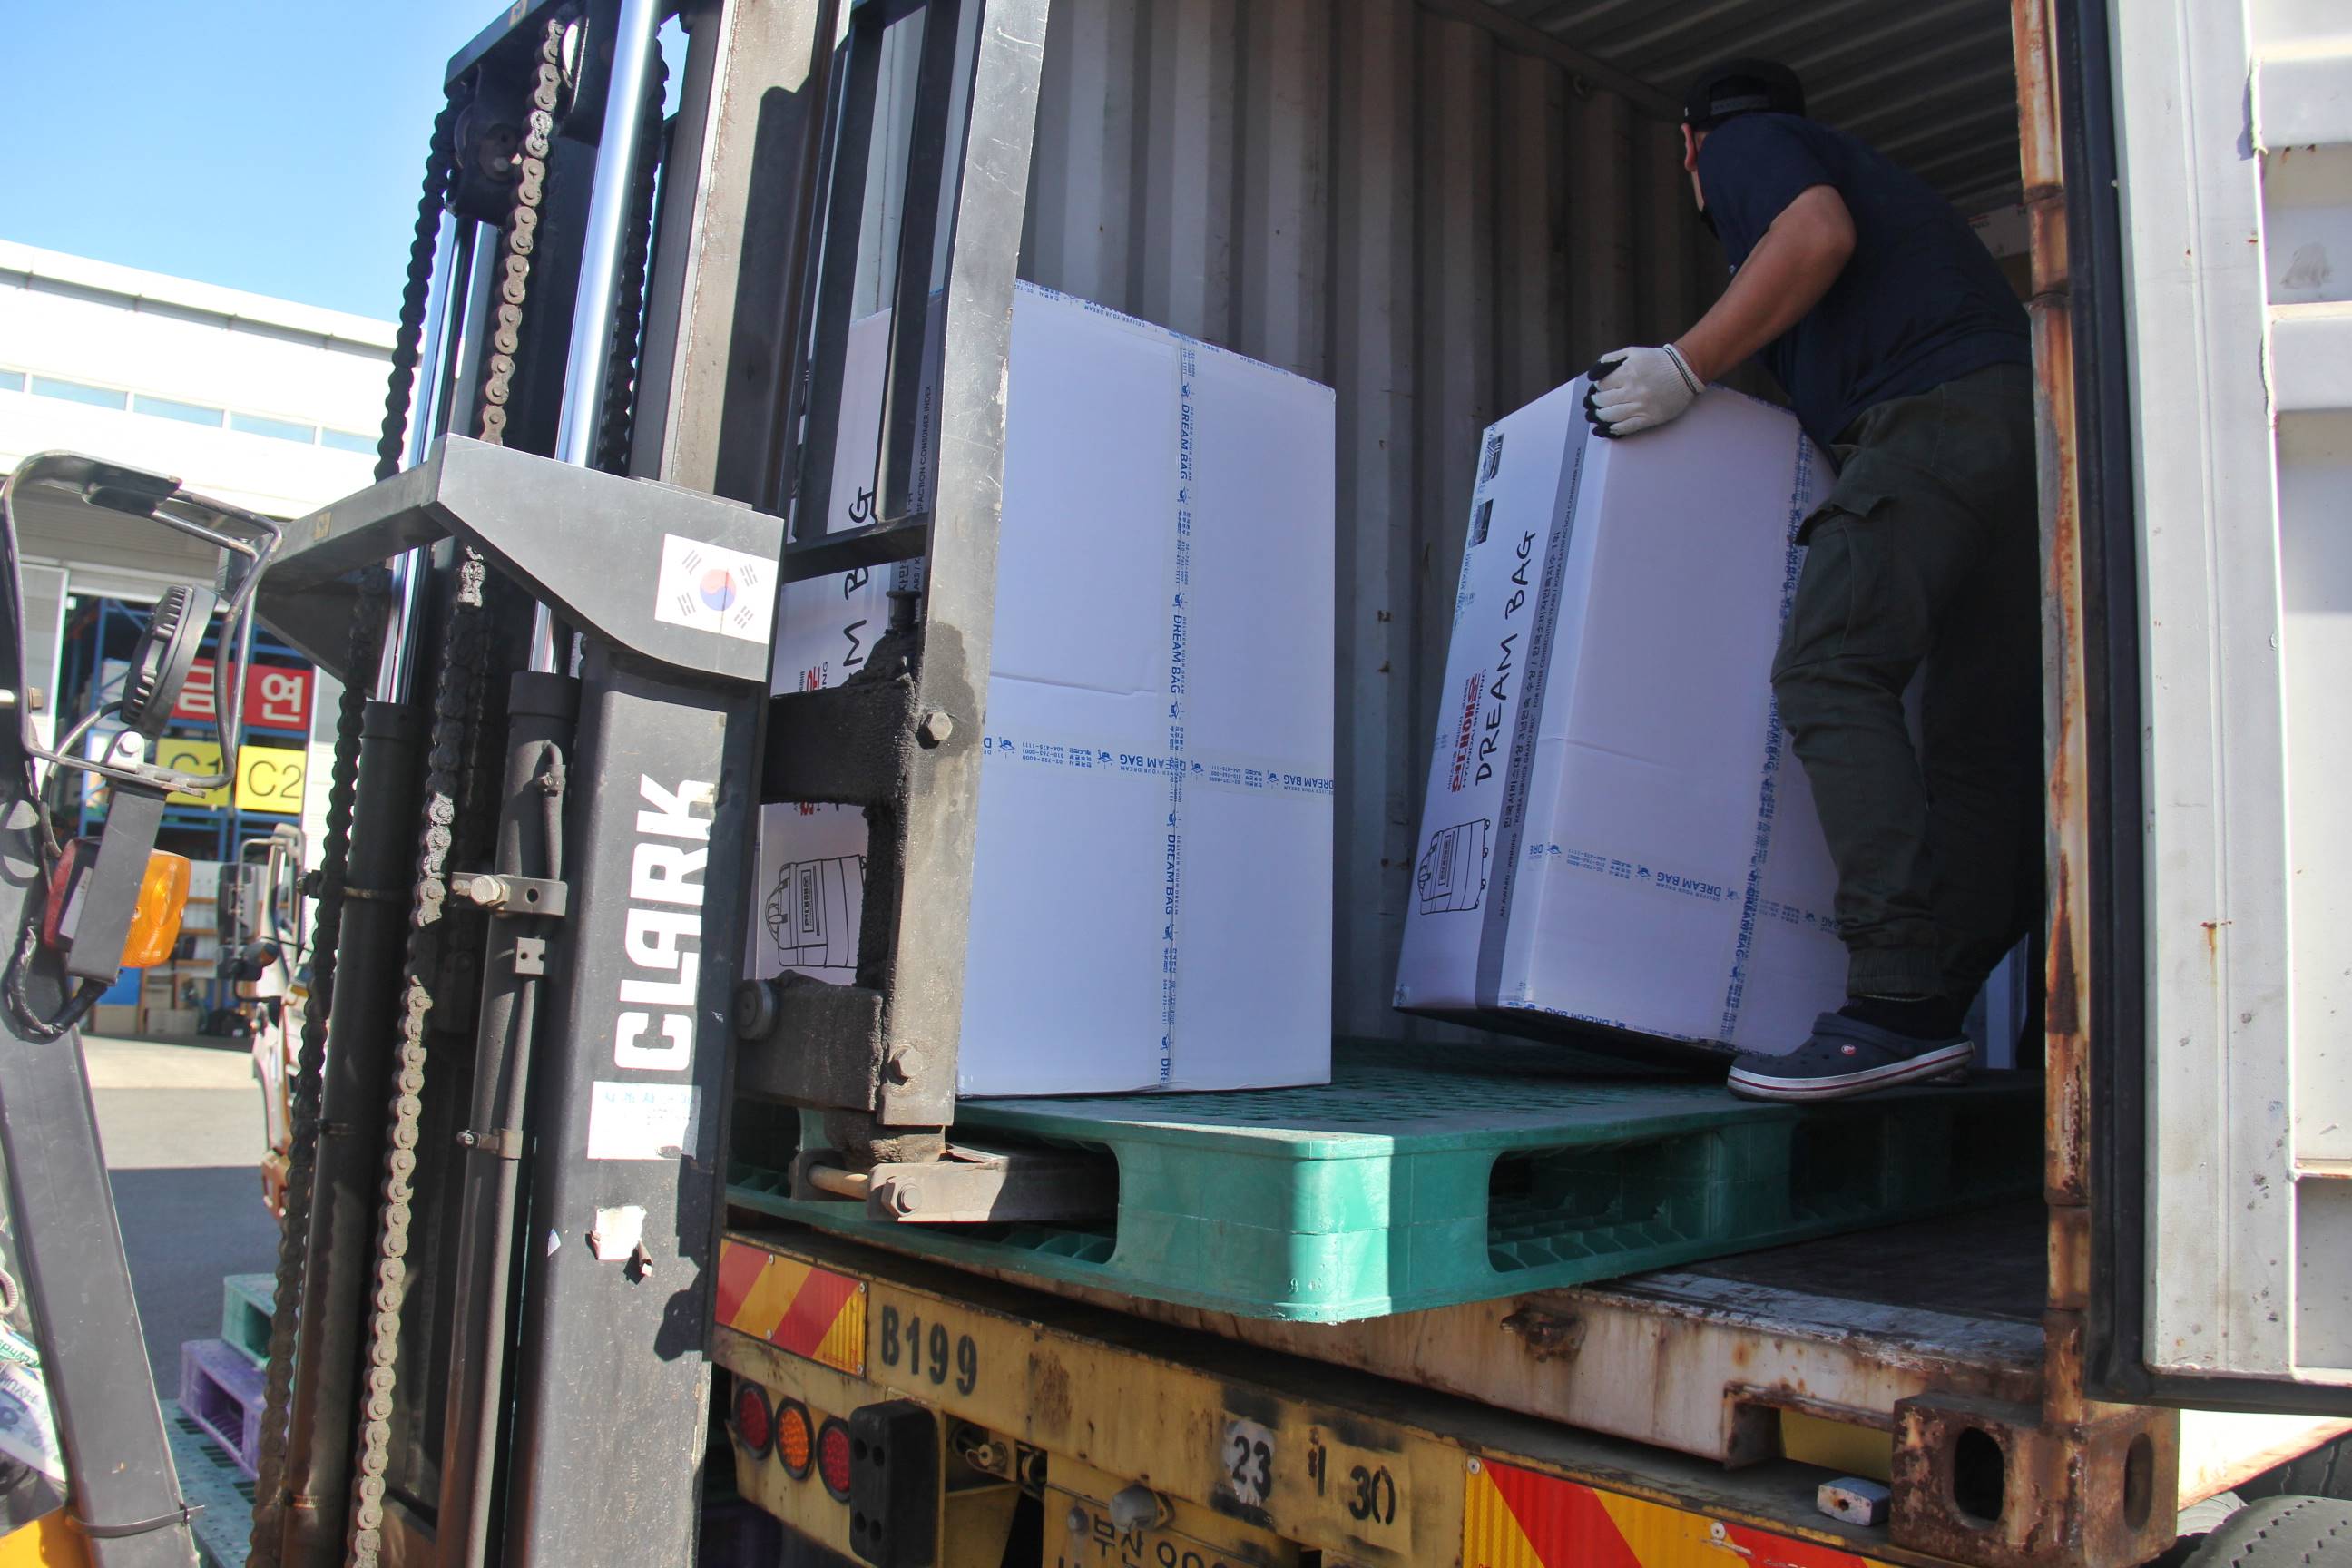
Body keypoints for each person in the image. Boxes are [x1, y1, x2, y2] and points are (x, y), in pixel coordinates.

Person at [1581, 58, 2039, 1102]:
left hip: (1934, 420)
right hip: (2018, 434)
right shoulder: (1882, 204)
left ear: (1687, 148)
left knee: (1831, 669)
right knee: (1979, 741)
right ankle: (1927, 1012)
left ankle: (1895, 993)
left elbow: (1814, 232)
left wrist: (1686, 365)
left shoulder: (1747, 149)